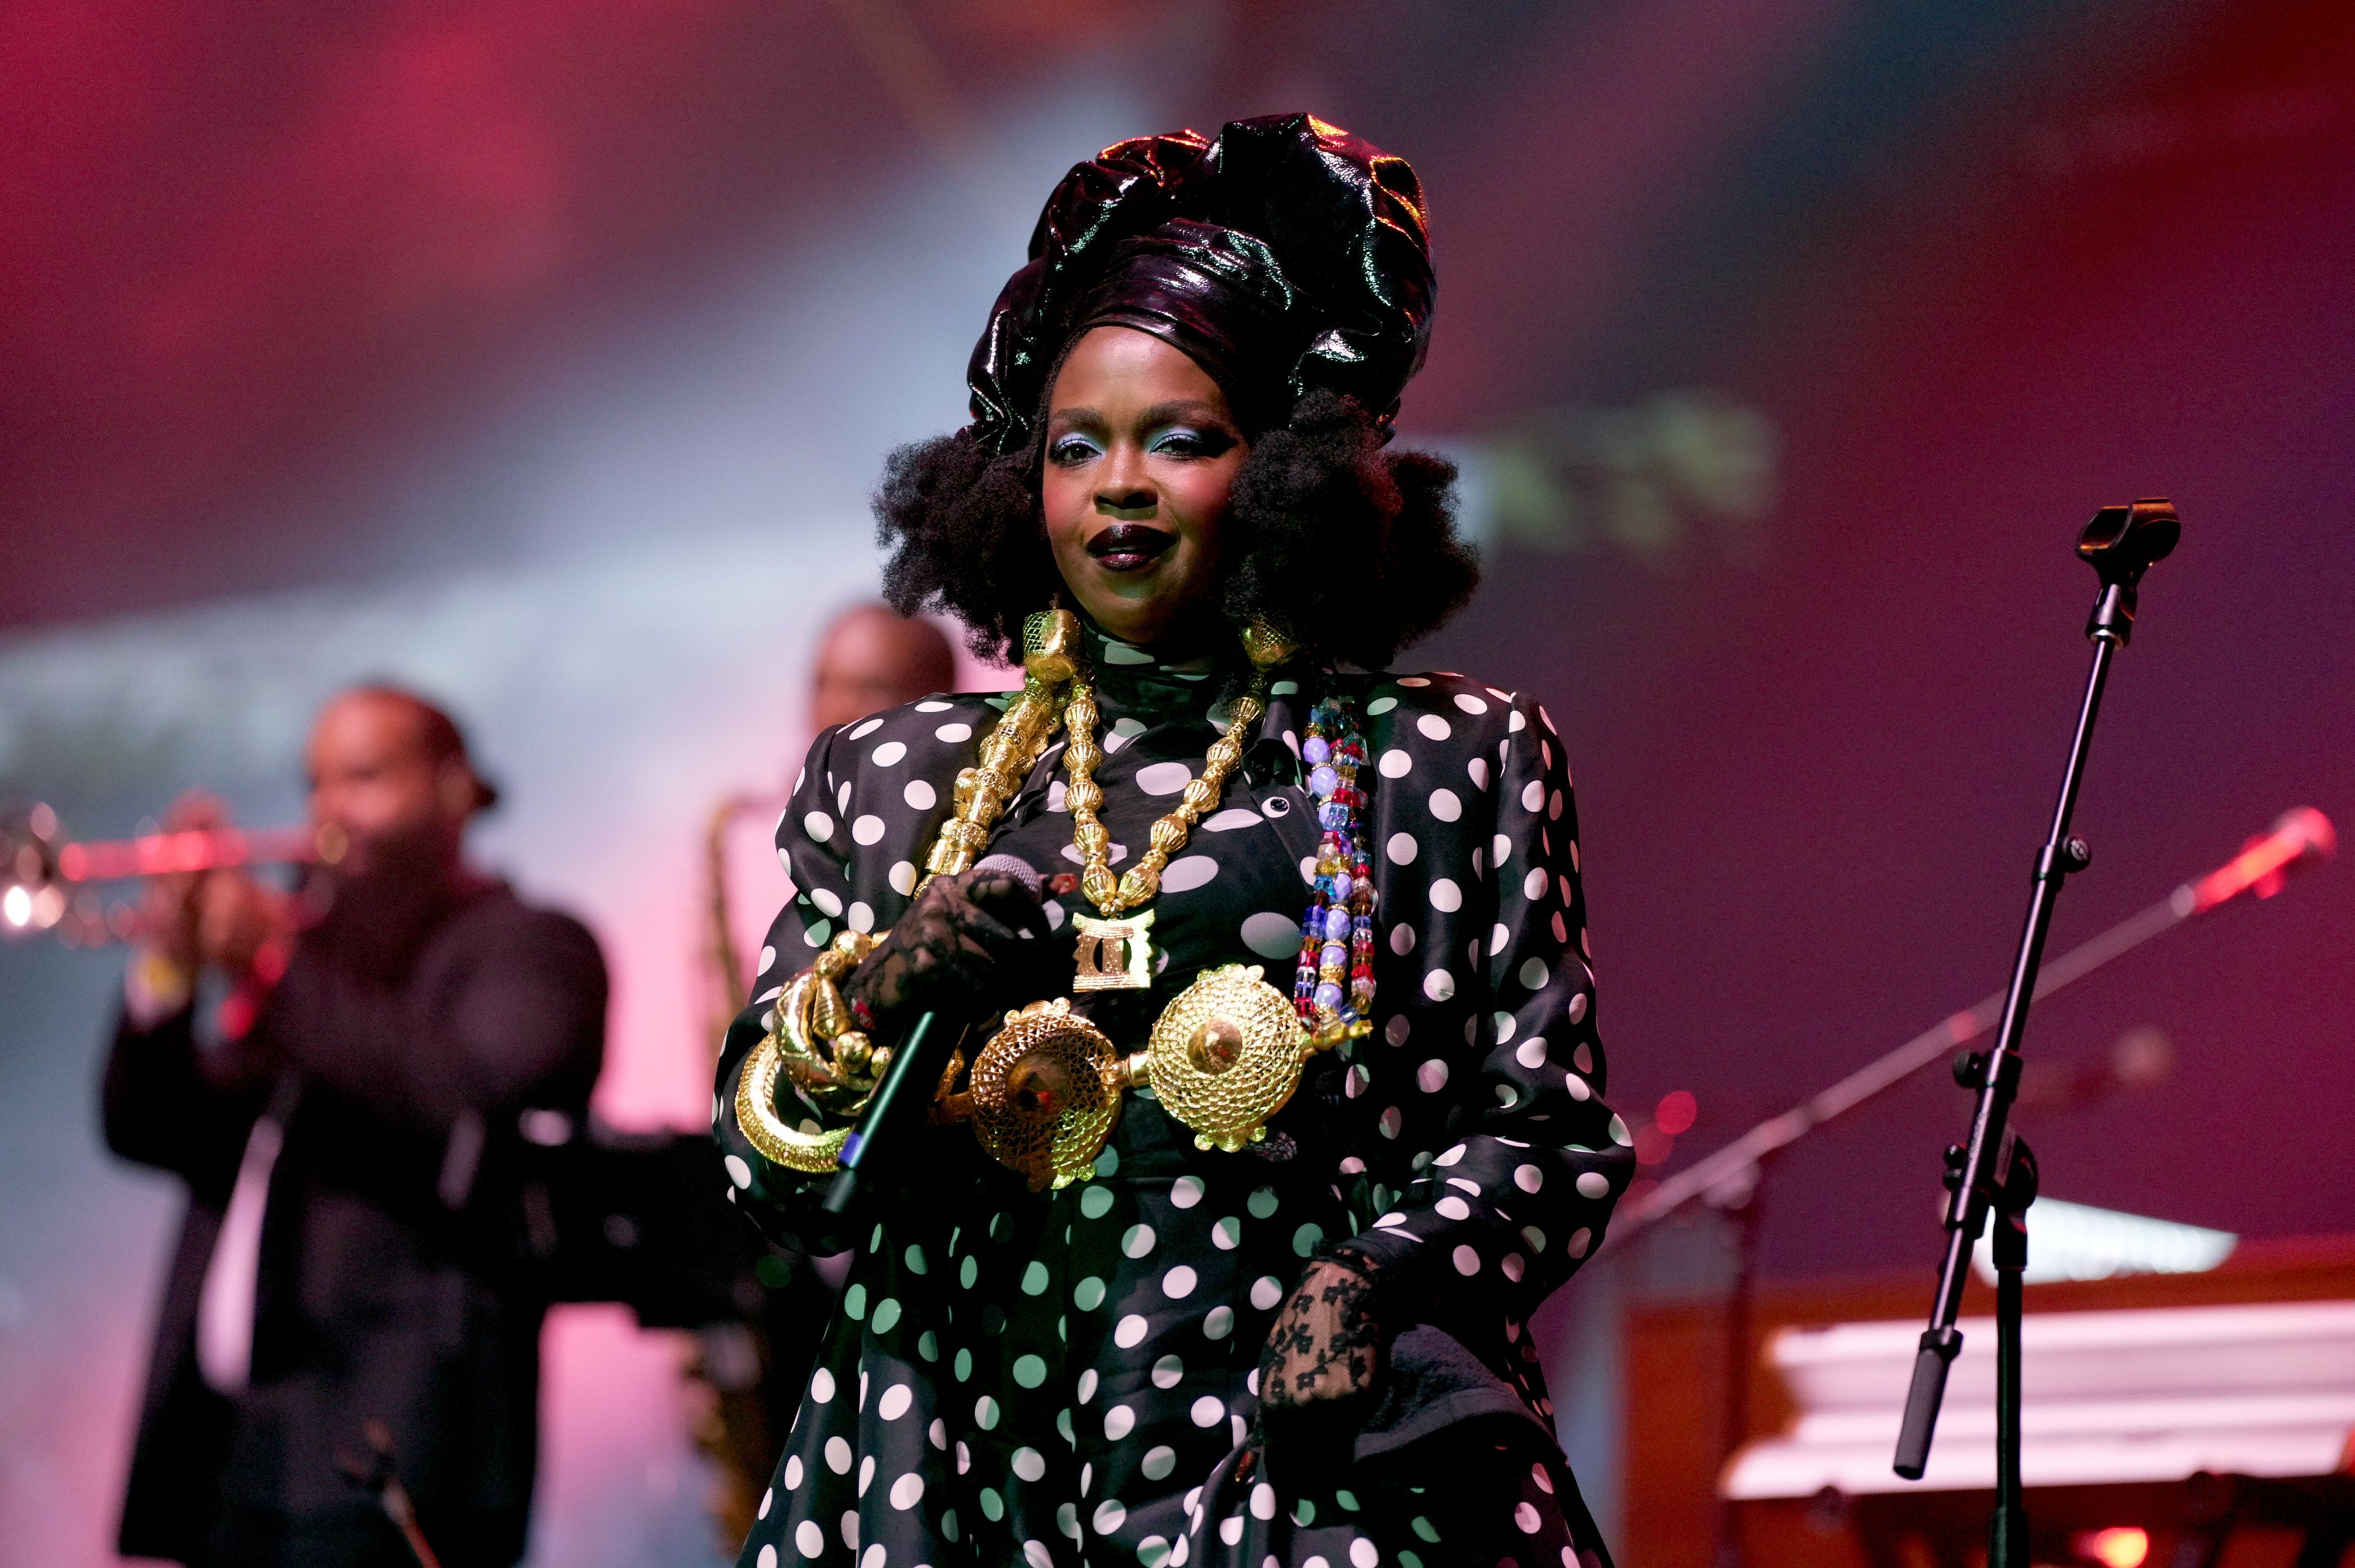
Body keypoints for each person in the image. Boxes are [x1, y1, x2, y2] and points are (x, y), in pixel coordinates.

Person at [713, 113, 1631, 1568]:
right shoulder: (890, 780)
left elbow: (1549, 1129)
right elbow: (771, 1179)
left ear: (1280, 472)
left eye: (1182, 441)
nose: (1121, 485)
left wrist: (1375, 1282)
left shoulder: (1440, 760)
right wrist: (886, 986)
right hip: (958, 1466)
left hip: (1312, 1467)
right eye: (1080, 448)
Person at [103, 686, 607, 1568]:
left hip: (399, 1447)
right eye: (315, 784)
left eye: (364, 777)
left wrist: (271, 962)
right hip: (230, 1446)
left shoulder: (530, 945)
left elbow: (463, 1105)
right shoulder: (311, 965)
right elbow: (152, 1132)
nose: (327, 811)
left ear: (453, 789)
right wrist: (170, 972)